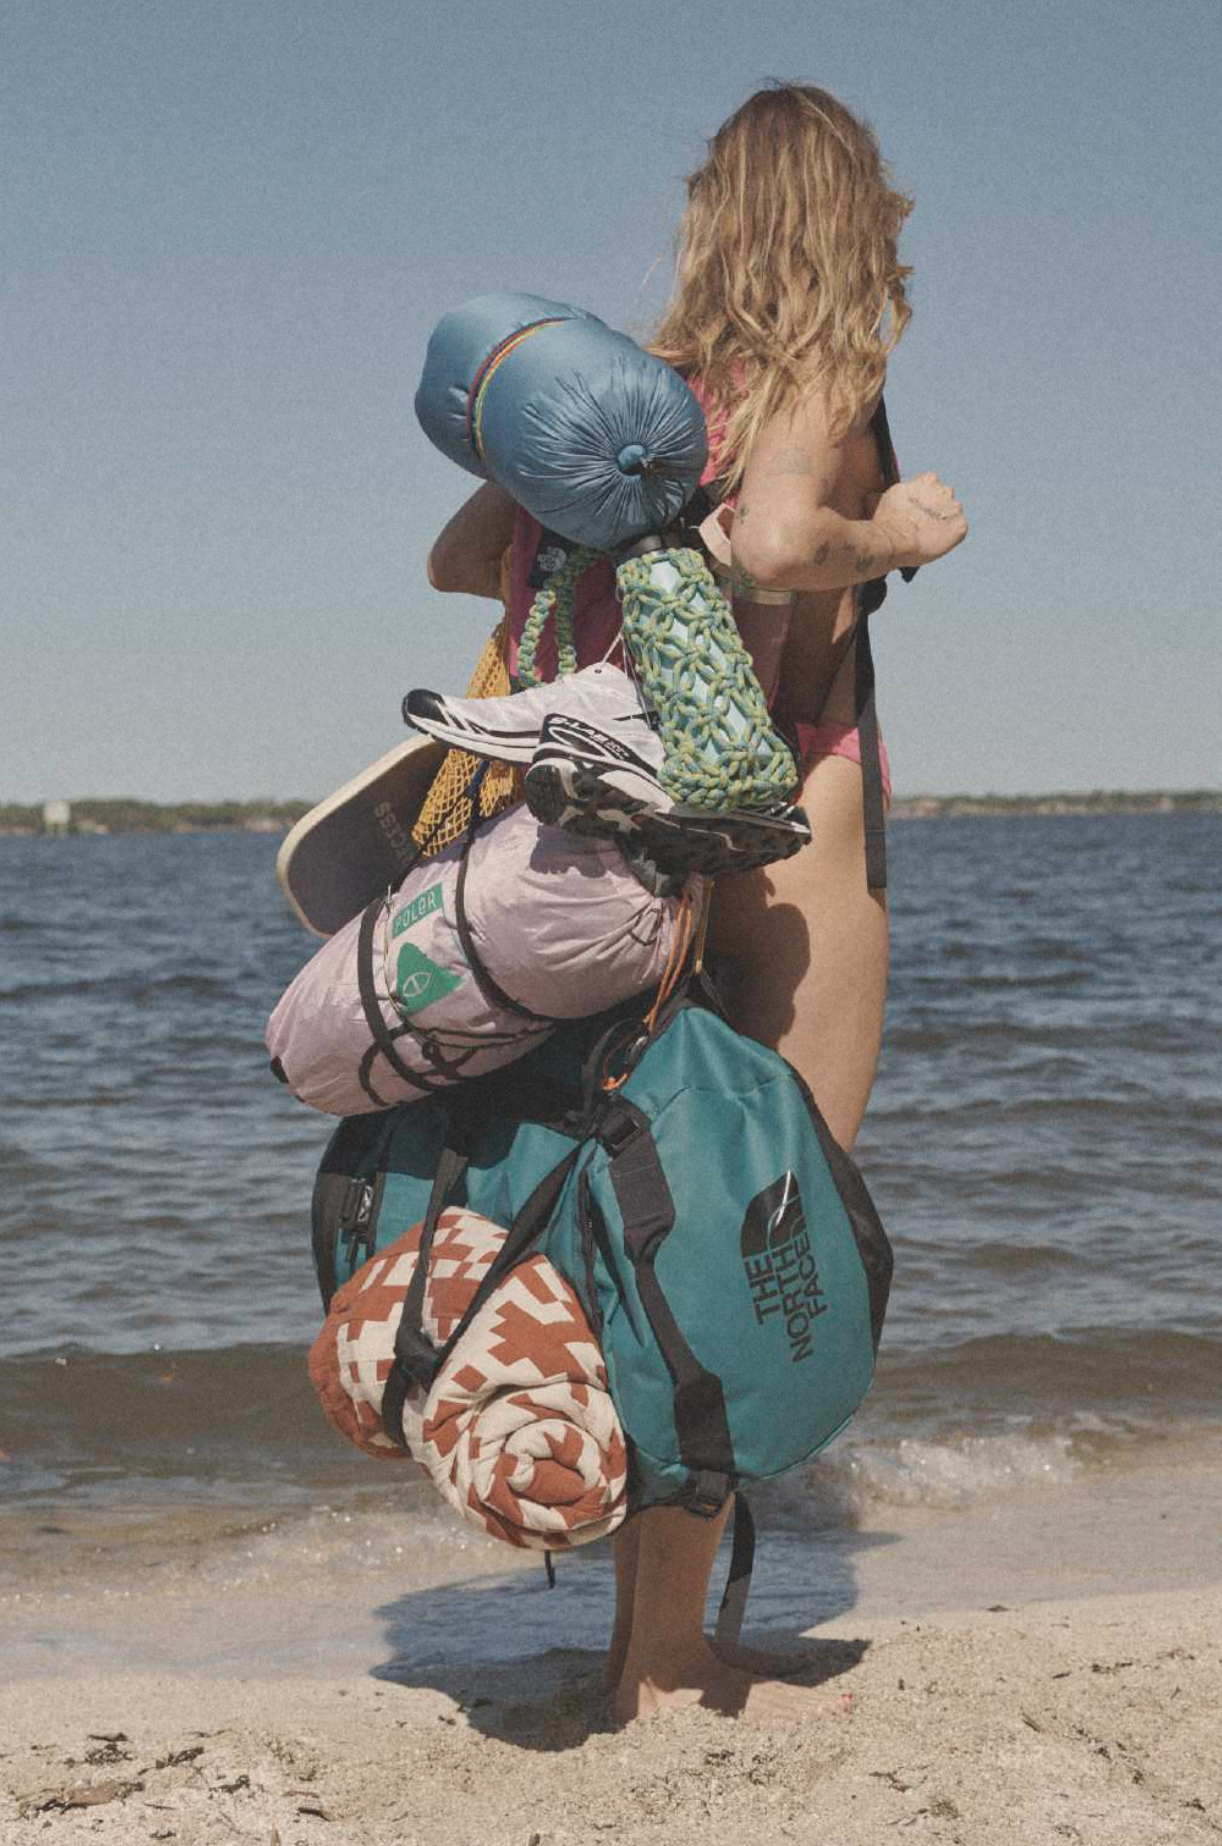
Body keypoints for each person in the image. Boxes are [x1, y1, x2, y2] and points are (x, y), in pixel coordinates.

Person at [427, 81, 967, 1722]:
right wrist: (901, 526)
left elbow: (459, 558)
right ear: (854, 219)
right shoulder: (826, 371)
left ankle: (638, 1634)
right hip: (788, 830)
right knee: (756, 1214)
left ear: (708, 217)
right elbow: (792, 539)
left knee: (637, 1202)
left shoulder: (628, 397)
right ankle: (665, 1655)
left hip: (624, 836)